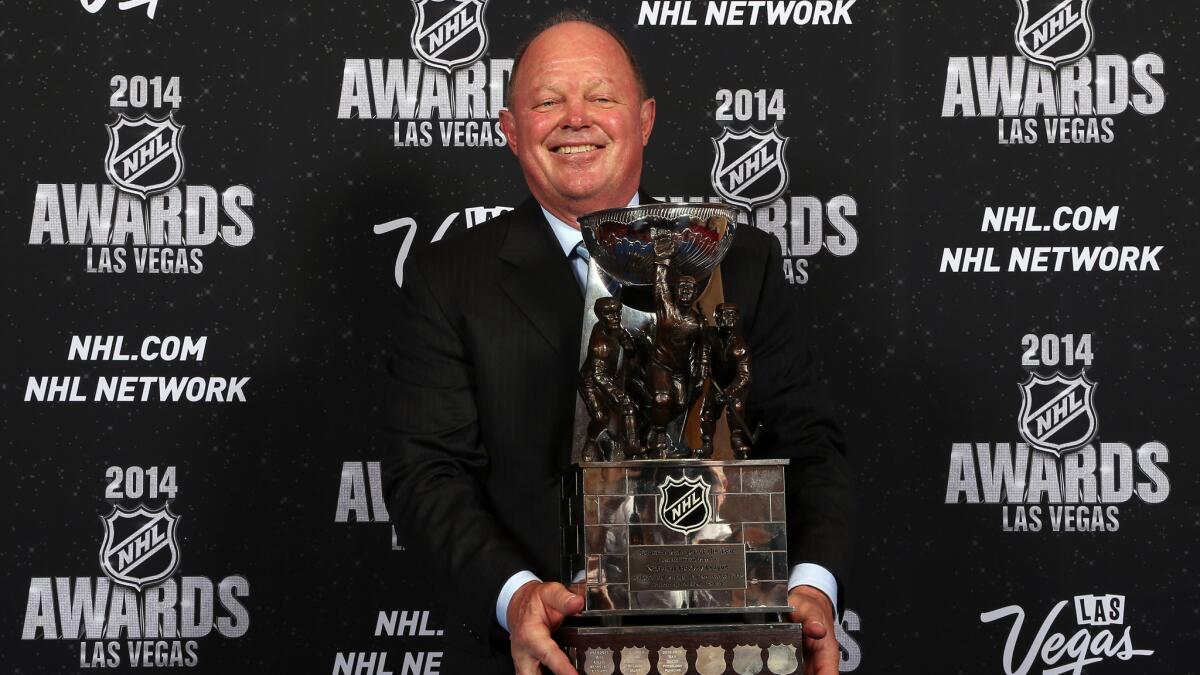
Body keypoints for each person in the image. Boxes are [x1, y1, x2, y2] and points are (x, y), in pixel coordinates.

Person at [383, 12, 853, 675]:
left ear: (646, 118)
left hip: (730, 654)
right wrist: (516, 597)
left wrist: (810, 586)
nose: (576, 118)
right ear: (510, 130)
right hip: (543, 657)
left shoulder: (740, 263)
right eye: (547, 101)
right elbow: (426, 474)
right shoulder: (448, 280)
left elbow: (811, 448)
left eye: (601, 96)